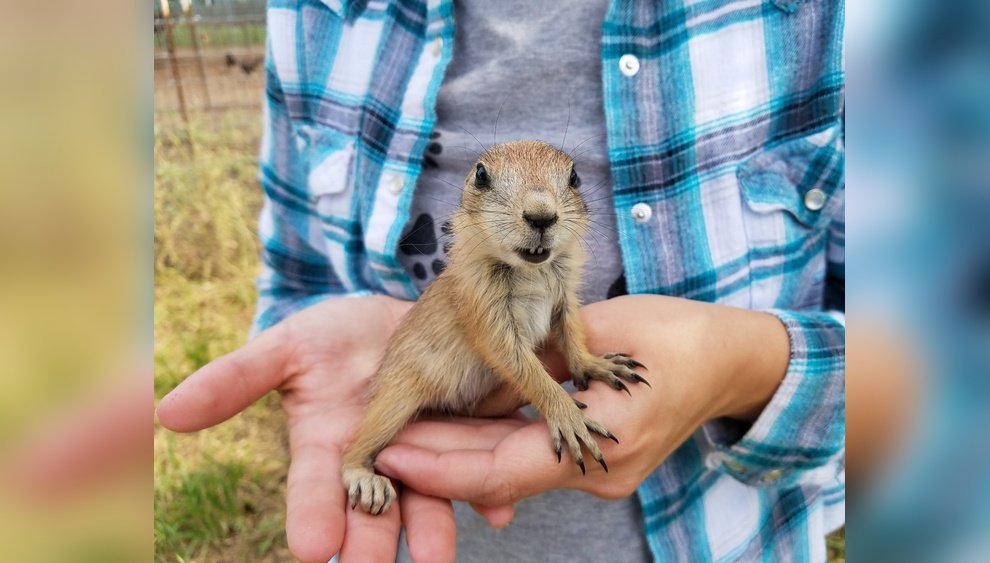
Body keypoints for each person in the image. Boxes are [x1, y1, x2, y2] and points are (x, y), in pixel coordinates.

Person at [158, 0, 845, 560]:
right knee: (394, 401)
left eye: (561, 194)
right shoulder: (315, 14)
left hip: (721, 534)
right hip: (413, 486)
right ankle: (359, 461)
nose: (540, 215)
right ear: (469, 203)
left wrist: (735, 365)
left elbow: (561, 313)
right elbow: (501, 346)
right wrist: (557, 405)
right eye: (494, 190)